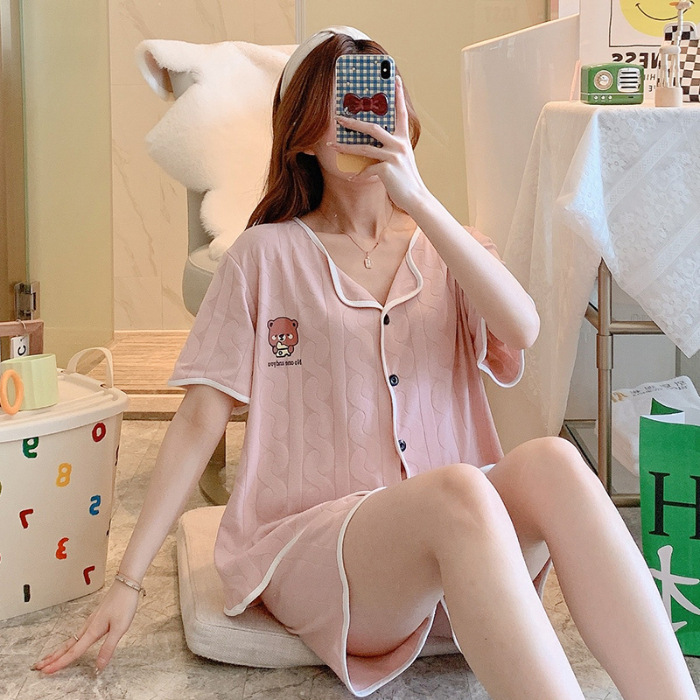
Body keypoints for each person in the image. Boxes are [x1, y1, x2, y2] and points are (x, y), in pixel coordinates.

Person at [34, 26, 698, 699]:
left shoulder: (451, 246)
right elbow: (199, 420)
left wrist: (419, 201)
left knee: (554, 461)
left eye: (378, 97)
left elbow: (521, 328)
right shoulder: (263, 257)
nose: (365, 118)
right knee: (461, 490)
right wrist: (127, 580)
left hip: (462, 549)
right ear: (302, 136)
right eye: (341, 104)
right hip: (319, 549)